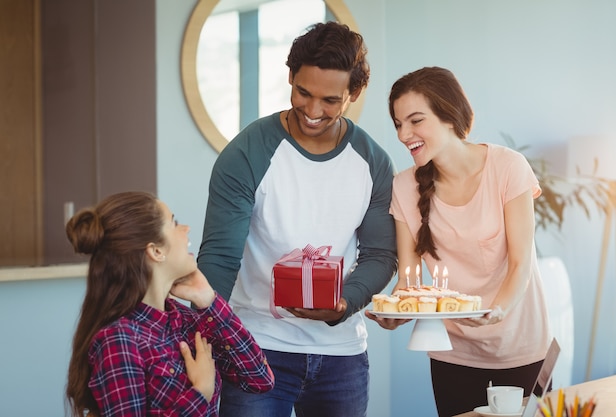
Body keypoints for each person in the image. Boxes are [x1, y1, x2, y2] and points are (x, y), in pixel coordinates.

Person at [197, 21, 397, 417]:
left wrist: (343, 304)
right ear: (290, 75)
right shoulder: (247, 154)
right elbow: (220, 258)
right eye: (303, 92)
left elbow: (379, 255)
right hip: (255, 346)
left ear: (354, 94)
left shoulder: (372, 162)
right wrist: (201, 338)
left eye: (330, 100)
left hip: (341, 354)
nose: (313, 110)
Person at [365, 67, 552, 417]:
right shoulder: (405, 186)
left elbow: (520, 263)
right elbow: (409, 277)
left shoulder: (508, 167)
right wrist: (396, 309)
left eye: (415, 121)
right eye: (398, 124)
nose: (404, 134)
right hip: (454, 354)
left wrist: (497, 311)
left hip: (523, 346)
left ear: (449, 115)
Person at [65, 191, 274, 417]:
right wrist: (200, 393)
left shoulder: (187, 321)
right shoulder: (119, 341)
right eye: (174, 223)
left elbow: (259, 378)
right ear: (156, 251)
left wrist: (209, 301)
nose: (186, 230)